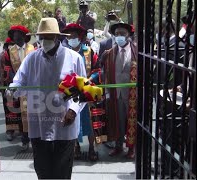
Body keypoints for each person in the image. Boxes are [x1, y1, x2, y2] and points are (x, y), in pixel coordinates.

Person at [8, 18, 86, 179]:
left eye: (49, 37)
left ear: (57, 37)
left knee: (62, 171)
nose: (44, 41)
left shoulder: (74, 58)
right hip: (39, 122)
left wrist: (73, 110)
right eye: (42, 37)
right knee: (42, 169)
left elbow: (84, 90)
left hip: (65, 122)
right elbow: (19, 82)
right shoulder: (31, 59)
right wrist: (12, 89)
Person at [62, 23, 100, 161]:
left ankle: (91, 148)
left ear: (80, 37)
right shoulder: (64, 54)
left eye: (74, 36)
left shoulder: (89, 52)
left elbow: (97, 69)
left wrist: (90, 79)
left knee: (89, 121)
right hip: (71, 92)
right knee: (73, 118)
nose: (72, 39)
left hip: (87, 92)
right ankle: (76, 146)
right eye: (69, 36)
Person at [101, 22, 137, 159]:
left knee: (132, 120)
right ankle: (118, 145)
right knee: (117, 119)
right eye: (116, 34)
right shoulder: (109, 53)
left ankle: (131, 147)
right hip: (116, 93)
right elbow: (105, 72)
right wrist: (107, 92)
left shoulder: (136, 51)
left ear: (128, 35)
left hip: (132, 94)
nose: (119, 36)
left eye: (122, 33)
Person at [5, 25, 35, 150]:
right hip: (18, 86)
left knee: (34, 113)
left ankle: (35, 138)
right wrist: (16, 82)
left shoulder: (33, 49)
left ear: (24, 36)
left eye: (18, 36)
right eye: (14, 36)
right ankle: (24, 139)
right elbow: (8, 68)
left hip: (33, 85)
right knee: (22, 114)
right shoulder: (9, 51)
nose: (16, 38)